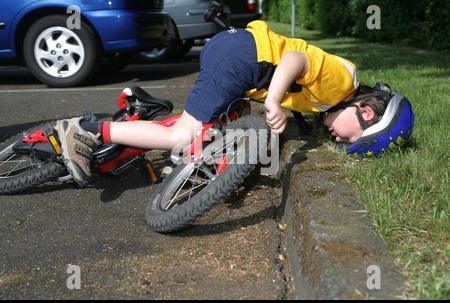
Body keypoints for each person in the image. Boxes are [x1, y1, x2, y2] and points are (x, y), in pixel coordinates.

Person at [55, 21, 392, 187]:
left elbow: (288, 100)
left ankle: (142, 112)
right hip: (244, 60)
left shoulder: (330, 100)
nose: (340, 141)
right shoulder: (343, 83)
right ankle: (86, 132)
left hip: (237, 51)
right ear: (363, 111)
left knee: (228, 116)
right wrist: (273, 99)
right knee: (184, 137)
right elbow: (295, 59)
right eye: (351, 139)